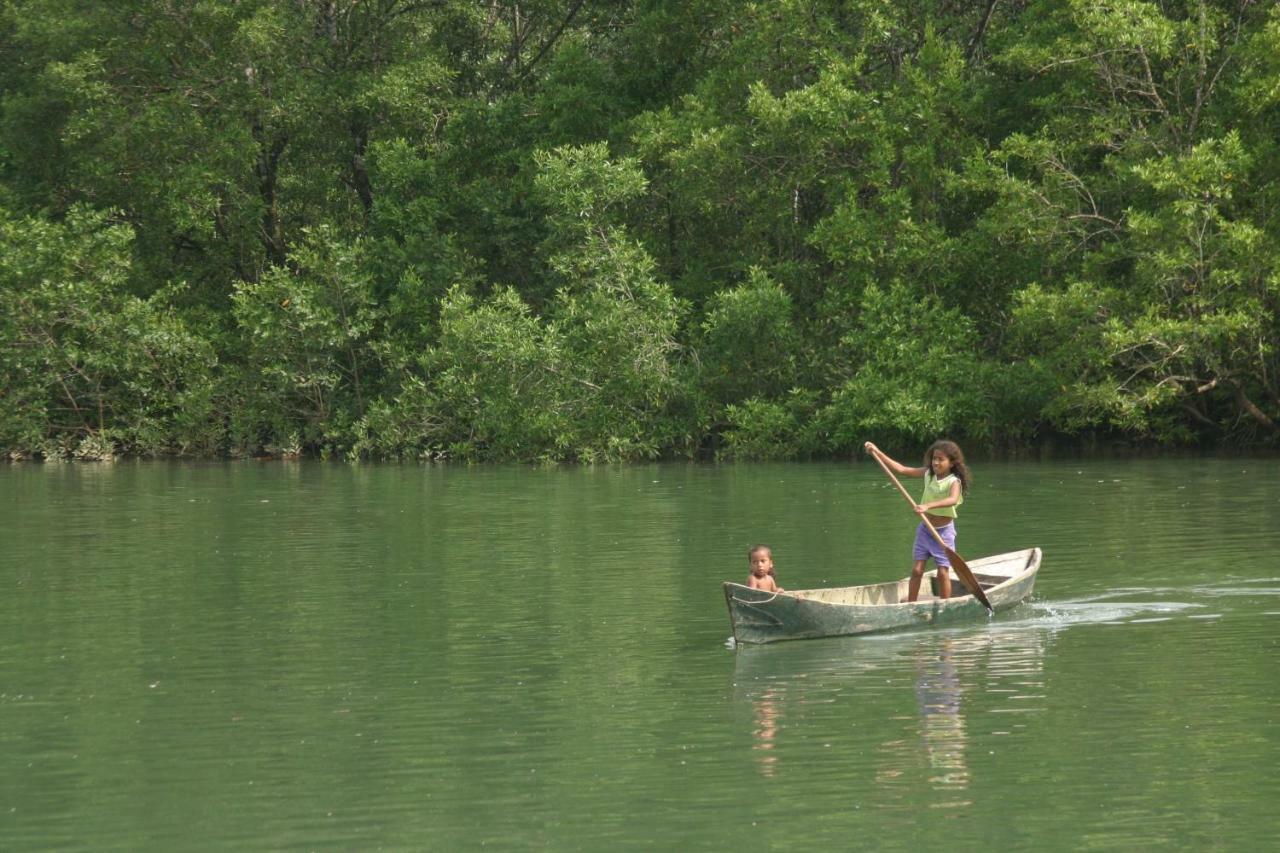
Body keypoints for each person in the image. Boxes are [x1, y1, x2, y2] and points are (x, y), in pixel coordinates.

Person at [863, 440, 971, 602]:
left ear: (952, 463)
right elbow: (901, 469)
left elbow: (953, 500)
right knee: (917, 570)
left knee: (942, 572)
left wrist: (928, 505)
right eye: (934, 458)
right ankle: (911, 605)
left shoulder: (953, 481)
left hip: (943, 533)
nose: (935, 462)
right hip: (925, 530)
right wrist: (877, 452)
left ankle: (945, 605)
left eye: (941, 459)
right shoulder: (928, 474)